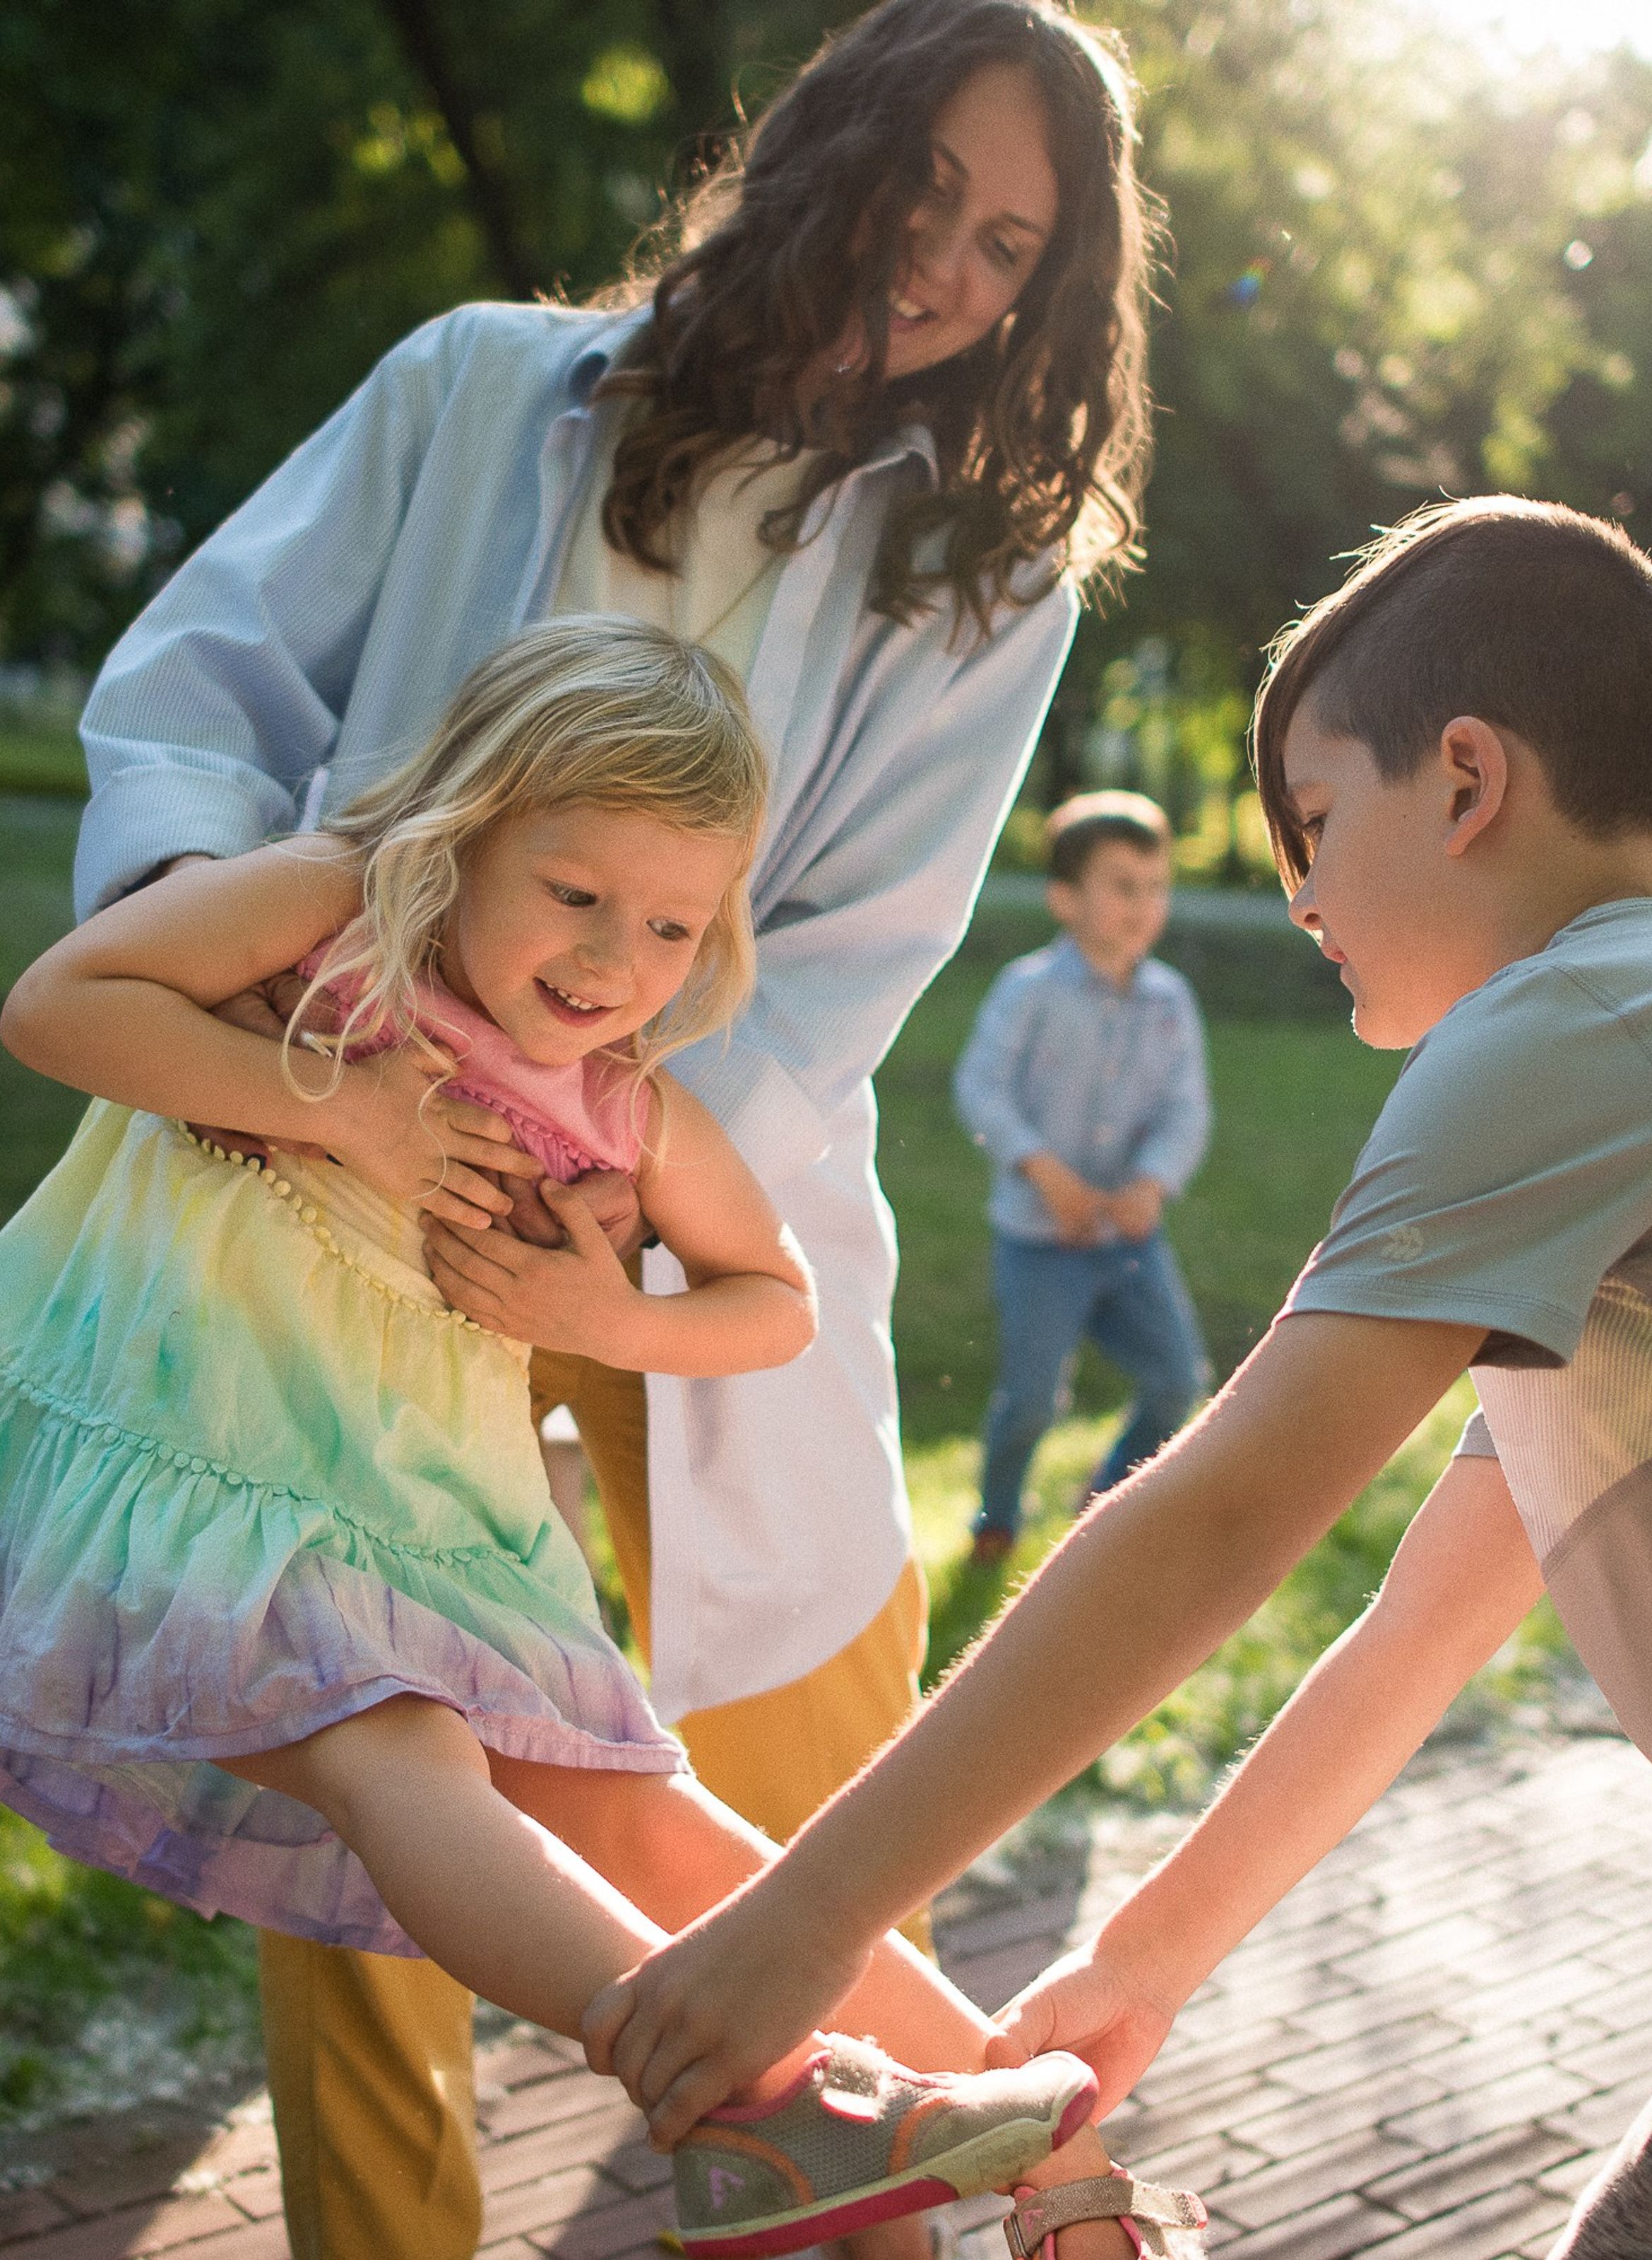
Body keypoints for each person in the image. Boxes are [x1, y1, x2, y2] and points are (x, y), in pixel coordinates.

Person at [69, 0, 1158, 2249]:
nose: (945, 262)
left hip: (689, 1207)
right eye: (924, 189)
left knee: (781, 1791)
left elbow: (852, 947)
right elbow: (205, 680)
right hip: (343, 1173)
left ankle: (973, 2150)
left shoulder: (993, 571)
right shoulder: (483, 383)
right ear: (822, 153)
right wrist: (297, 1031)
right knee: (396, 1784)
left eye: (1009, 246)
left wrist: (599, 1222)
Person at [582, 497, 1652, 2259]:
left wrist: (807, 1923)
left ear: (1463, 782)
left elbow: (1217, 1513)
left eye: (1314, 822)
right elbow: (1424, 1620)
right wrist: (1144, 1953)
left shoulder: (1565, 1029)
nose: (1298, 894)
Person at [0, 615, 1121, 2259]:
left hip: (424, 1513)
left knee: (640, 1813)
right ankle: (750, 2101)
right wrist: (343, 1103)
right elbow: (57, 1001)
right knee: (398, 1748)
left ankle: (1040, 2141)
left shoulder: (624, 1102)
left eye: (671, 922)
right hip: (201, 1450)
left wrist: (612, 1325)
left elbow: (770, 1297)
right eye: (575, 891)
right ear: (467, 831)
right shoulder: (338, 910)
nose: (613, 957)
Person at [952, 790, 1210, 1564]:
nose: (1143, 904)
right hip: (1039, 1238)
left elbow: (1184, 1109)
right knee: (1031, 1399)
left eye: (1155, 885)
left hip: (1129, 1236)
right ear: (1065, 898)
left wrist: (1152, 1183)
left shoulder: (1169, 1000)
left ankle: (1103, 1502)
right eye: (1122, 886)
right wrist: (1042, 1172)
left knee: (1175, 1381)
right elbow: (982, 1088)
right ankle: (996, 1515)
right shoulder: (1027, 991)